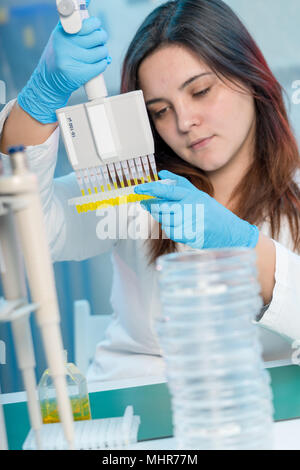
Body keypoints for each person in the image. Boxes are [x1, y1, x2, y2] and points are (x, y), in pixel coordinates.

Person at [1, 0, 300, 383]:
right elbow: (22, 232)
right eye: (160, 110)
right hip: (135, 409)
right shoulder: (138, 188)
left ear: (250, 76)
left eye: (201, 91)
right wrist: (39, 100)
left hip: (259, 415)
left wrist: (244, 246)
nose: (185, 122)